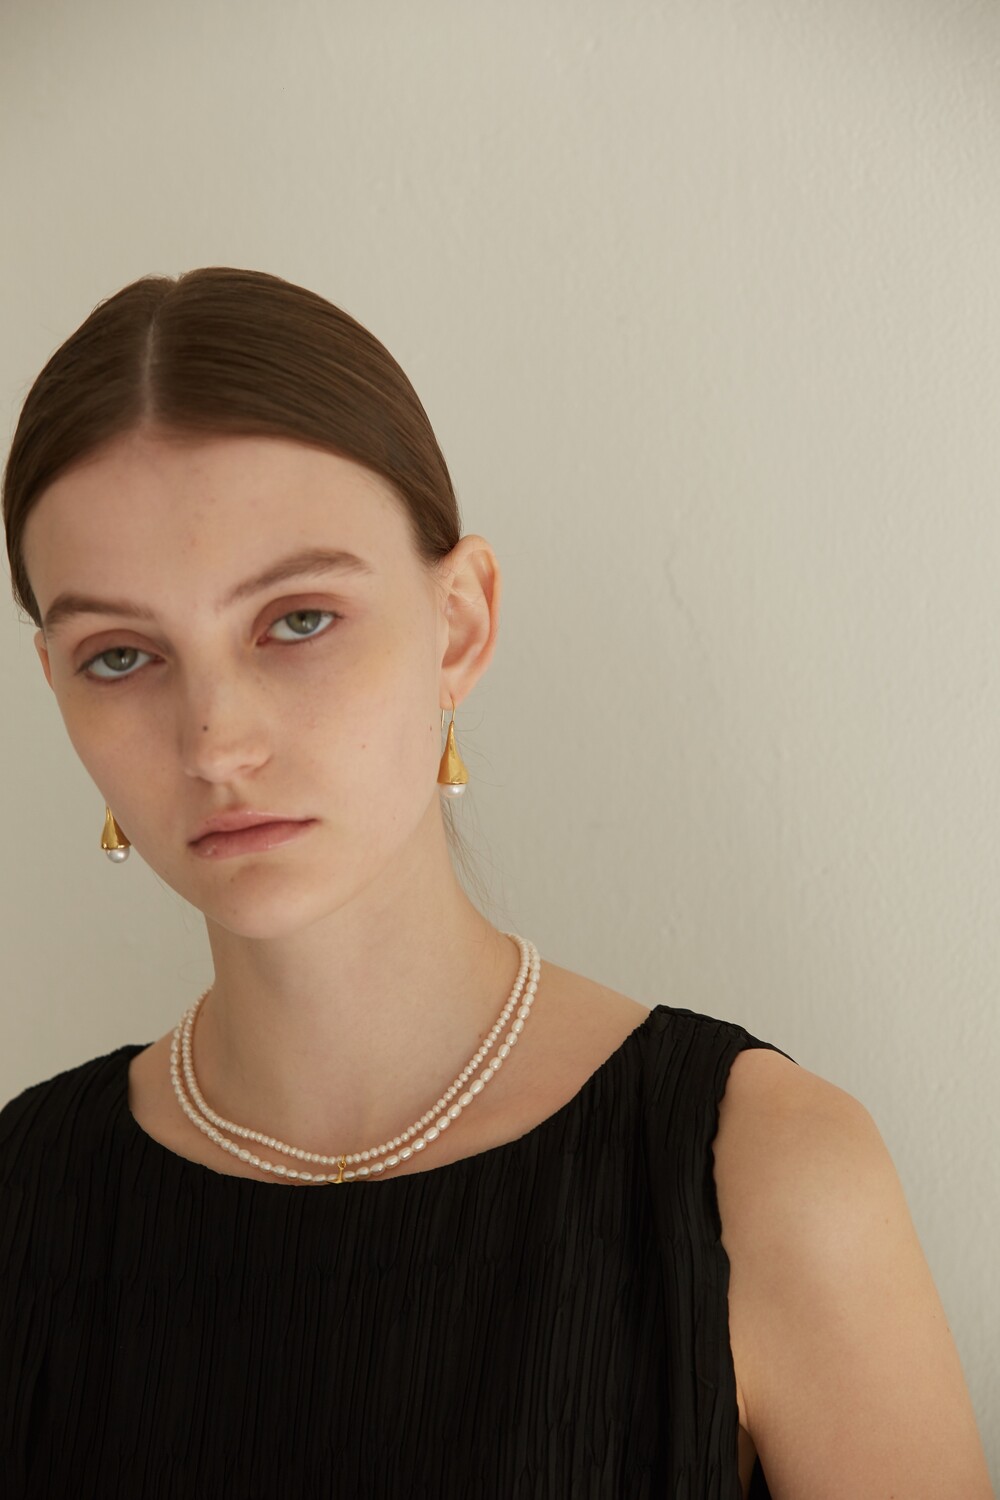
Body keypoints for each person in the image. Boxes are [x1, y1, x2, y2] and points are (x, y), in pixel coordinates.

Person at [0, 268, 991, 1500]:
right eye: (121, 655)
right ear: (56, 686)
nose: (216, 742)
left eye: (297, 620)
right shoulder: (22, 1202)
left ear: (460, 623)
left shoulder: (757, 1178)